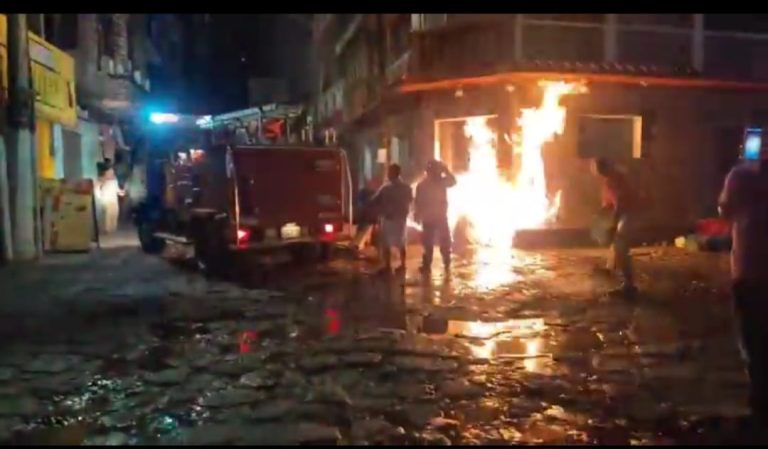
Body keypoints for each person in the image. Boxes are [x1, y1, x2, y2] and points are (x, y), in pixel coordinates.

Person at [718, 148, 768, 424]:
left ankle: (760, 401)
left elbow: (725, 209)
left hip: (749, 272)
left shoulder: (740, 177)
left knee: (752, 338)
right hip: (751, 271)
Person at [591, 157, 639, 297]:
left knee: (620, 246)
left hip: (628, 214)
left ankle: (629, 285)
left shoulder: (613, 180)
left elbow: (620, 203)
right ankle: (610, 269)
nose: (593, 170)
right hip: (628, 213)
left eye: (595, 166)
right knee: (616, 244)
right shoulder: (613, 177)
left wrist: (614, 221)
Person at [368, 164, 413, 274]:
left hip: (389, 218)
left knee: (386, 242)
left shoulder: (386, 188)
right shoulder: (406, 187)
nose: (388, 174)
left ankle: (388, 266)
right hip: (401, 218)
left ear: (393, 173)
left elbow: (374, 200)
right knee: (401, 241)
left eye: (389, 172)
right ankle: (402, 264)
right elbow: (411, 200)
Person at [414, 160, 456, 274]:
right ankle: (432, 263)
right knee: (432, 242)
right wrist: (446, 170)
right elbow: (418, 201)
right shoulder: (435, 183)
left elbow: (453, 182)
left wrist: (417, 214)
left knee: (440, 241)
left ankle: (441, 262)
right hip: (435, 217)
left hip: (436, 216)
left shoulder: (431, 183)